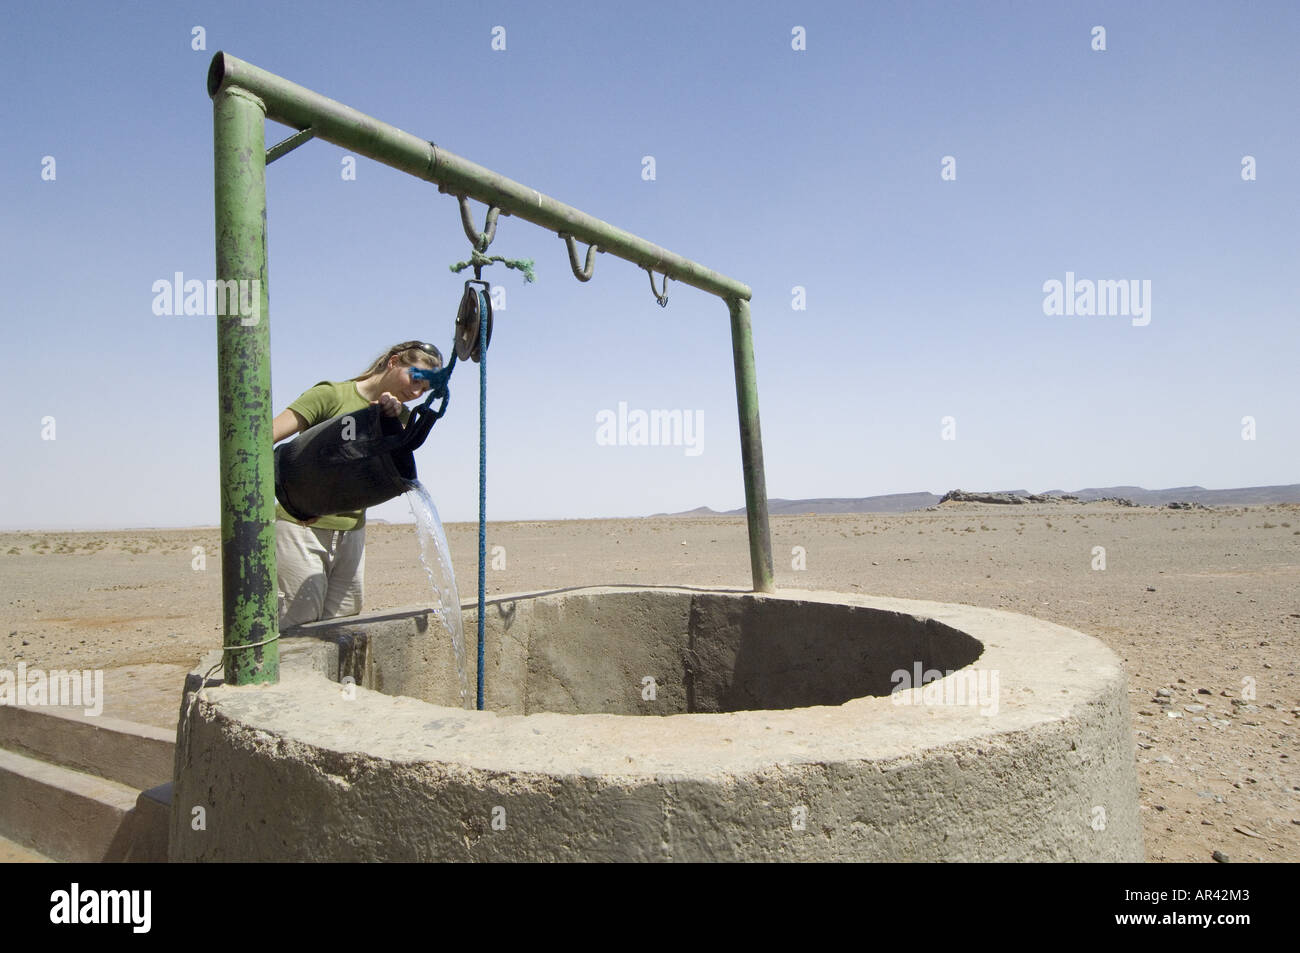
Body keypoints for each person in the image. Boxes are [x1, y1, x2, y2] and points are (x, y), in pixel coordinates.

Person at [271, 341, 443, 627]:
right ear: (393, 362)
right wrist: (292, 499)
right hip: (301, 529)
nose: (415, 392)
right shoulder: (331, 395)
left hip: (352, 535)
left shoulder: (398, 416)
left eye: (424, 390)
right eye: (415, 379)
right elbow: (263, 437)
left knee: (343, 626)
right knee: (298, 624)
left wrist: (386, 420)